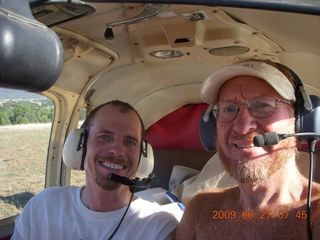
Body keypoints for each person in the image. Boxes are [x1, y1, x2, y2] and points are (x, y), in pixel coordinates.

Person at [175, 59, 320, 240]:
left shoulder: (316, 212)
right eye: (228, 109)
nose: (242, 127)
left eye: (263, 105)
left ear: (299, 120)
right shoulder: (200, 210)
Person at [12, 100, 178, 240]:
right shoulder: (43, 206)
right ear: (80, 146)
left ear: (143, 157)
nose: (117, 150)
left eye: (130, 142)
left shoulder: (159, 227)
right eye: (104, 137)